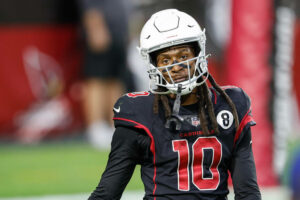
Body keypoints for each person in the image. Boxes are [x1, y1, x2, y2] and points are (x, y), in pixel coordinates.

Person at [89, 9, 261, 199]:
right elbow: (107, 192)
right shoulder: (138, 113)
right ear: (153, 65)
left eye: (183, 56)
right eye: (166, 60)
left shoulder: (230, 105)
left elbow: (248, 192)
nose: (176, 66)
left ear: (198, 53)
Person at [78, 0, 132, 149]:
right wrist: (96, 29)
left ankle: (115, 125)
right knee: (97, 80)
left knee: (116, 81)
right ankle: (96, 128)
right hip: (101, 33)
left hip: (118, 34)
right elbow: (90, 6)